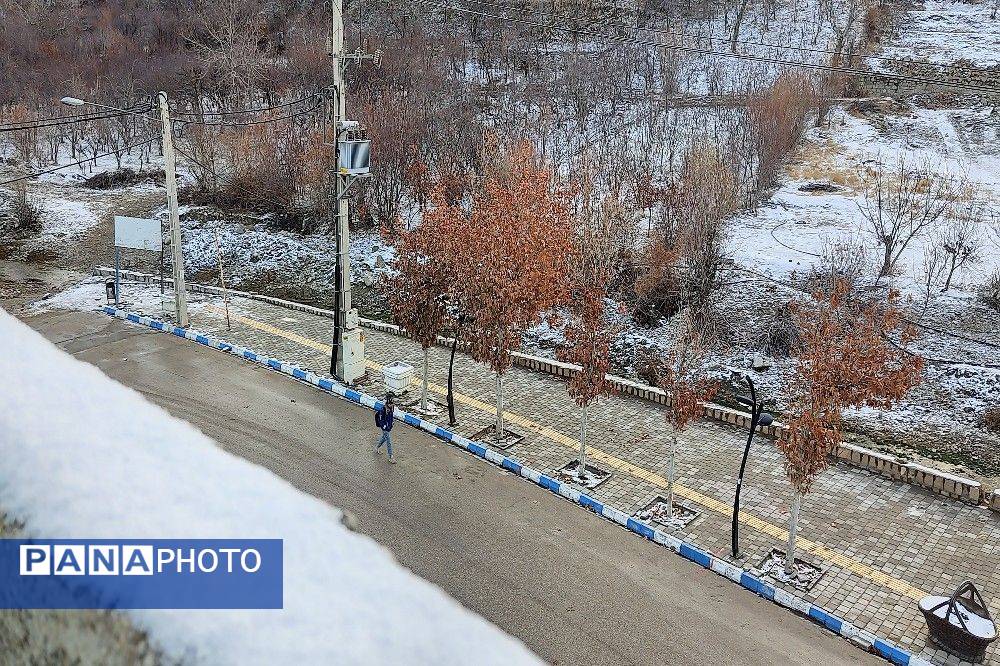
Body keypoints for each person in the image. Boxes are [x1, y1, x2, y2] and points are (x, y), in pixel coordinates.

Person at [374, 394, 396, 463]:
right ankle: (391, 457)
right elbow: (381, 420)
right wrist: (384, 426)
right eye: (391, 404)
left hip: (389, 427)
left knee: (384, 438)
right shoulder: (382, 410)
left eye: (392, 404)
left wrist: (392, 422)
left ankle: (377, 447)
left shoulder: (391, 408)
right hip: (385, 428)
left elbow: (391, 416)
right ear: (388, 404)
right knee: (388, 441)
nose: (392, 405)